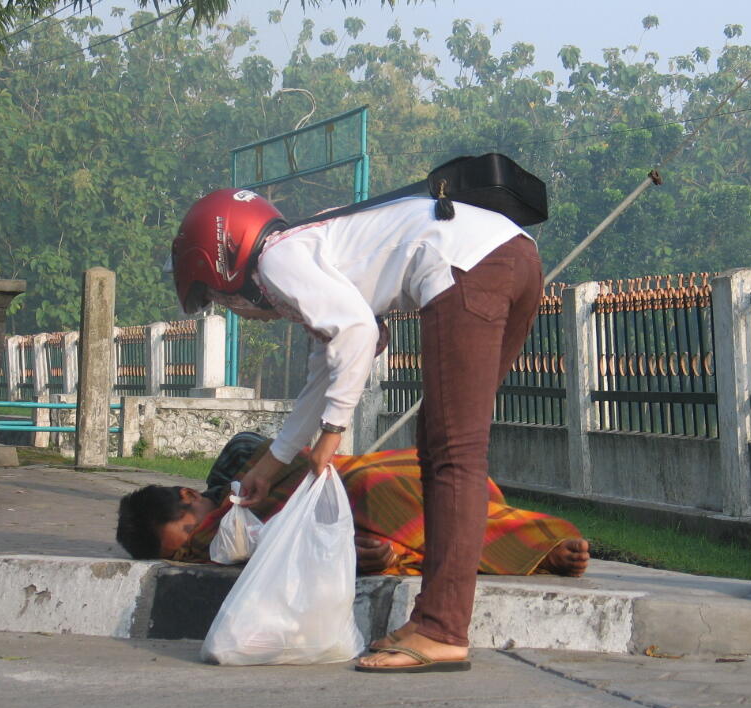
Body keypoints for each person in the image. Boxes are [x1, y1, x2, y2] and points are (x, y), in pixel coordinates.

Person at [171, 188, 549, 672]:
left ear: (227, 259)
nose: (233, 309)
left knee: (453, 453)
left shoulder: (277, 259)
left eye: (217, 295)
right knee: (444, 450)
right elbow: (326, 369)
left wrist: (332, 431)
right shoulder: (310, 246)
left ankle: (443, 629)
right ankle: (436, 620)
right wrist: (274, 461)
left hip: (467, 267)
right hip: (514, 256)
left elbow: (358, 334)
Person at [116, 432, 590, 580]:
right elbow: (283, 548)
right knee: (379, 543)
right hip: (340, 520)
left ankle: (528, 538)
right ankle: (531, 551)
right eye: (180, 556)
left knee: (367, 483)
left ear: (188, 498)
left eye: (185, 538)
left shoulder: (238, 467)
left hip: (344, 476)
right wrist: (340, 553)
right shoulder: (230, 541)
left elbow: (294, 460)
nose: (191, 550)